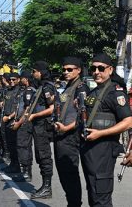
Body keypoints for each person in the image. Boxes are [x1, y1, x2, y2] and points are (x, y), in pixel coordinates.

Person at [80, 53, 132, 206]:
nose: (96, 71)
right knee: (93, 195)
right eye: (93, 68)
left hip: (103, 151)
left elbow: (129, 122)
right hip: (90, 150)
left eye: (101, 68)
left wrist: (100, 133)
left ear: (110, 70)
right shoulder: (93, 92)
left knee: (101, 199)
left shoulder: (115, 93)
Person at [53, 57, 89, 206]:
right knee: (63, 172)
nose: (66, 72)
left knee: (69, 172)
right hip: (61, 134)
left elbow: (84, 115)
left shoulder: (81, 88)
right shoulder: (68, 87)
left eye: (70, 69)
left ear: (78, 70)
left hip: (70, 135)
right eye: (64, 69)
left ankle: (74, 203)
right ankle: (72, 202)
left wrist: (66, 128)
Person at [29, 61, 56, 199]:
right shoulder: (40, 86)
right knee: (40, 156)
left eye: (34, 71)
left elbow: (52, 108)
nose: (33, 74)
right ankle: (45, 186)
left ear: (41, 72)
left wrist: (35, 115)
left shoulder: (47, 87)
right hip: (37, 126)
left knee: (44, 156)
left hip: (43, 127)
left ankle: (47, 187)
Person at [12, 71, 36, 182]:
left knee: (23, 146)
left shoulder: (30, 90)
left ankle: (27, 173)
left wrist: (19, 122)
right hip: (22, 122)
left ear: (26, 79)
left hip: (25, 123)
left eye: (21, 78)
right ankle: (25, 171)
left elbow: (27, 109)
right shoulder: (26, 90)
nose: (20, 80)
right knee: (22, 146)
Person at [0, 72, 21, 172]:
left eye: (14, 80)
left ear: (18, 80)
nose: (11, 81)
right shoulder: (9, 91)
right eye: (10, 80)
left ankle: (17, 166)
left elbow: (18, 109)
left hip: (13, 120)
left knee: (15, 144)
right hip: (6, 119)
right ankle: (12, 164)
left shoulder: (19, 91)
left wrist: (8, 118)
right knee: (9, 144)